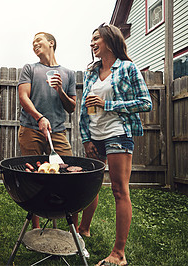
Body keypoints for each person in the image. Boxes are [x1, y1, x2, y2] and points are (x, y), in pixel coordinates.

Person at [79, 23, 152, 266]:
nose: (92, 43)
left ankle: (118, 253)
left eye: (96, 38)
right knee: (90, 185)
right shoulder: (92, 70)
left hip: (117, 133)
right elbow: (84, 107)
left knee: (119, 190)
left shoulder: (127, 68)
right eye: (91, 40)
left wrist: (107, 105)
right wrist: (86, 137)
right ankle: (83, 230)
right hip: (95, 134)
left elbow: (145, 102)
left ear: (110, 41)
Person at [18, 32, 76, 228]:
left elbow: (71, 107)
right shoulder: (30, 69)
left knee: (69, 174)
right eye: (32, 42)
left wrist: (60, 90)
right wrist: (39, 117)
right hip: (31, 129)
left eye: (38, 40)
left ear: (51, 43)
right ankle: (35, 227)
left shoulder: (68, 73)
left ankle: (72, 229)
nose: (34, 44)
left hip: (57, 131)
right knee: (33, 177)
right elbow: (24, 97)